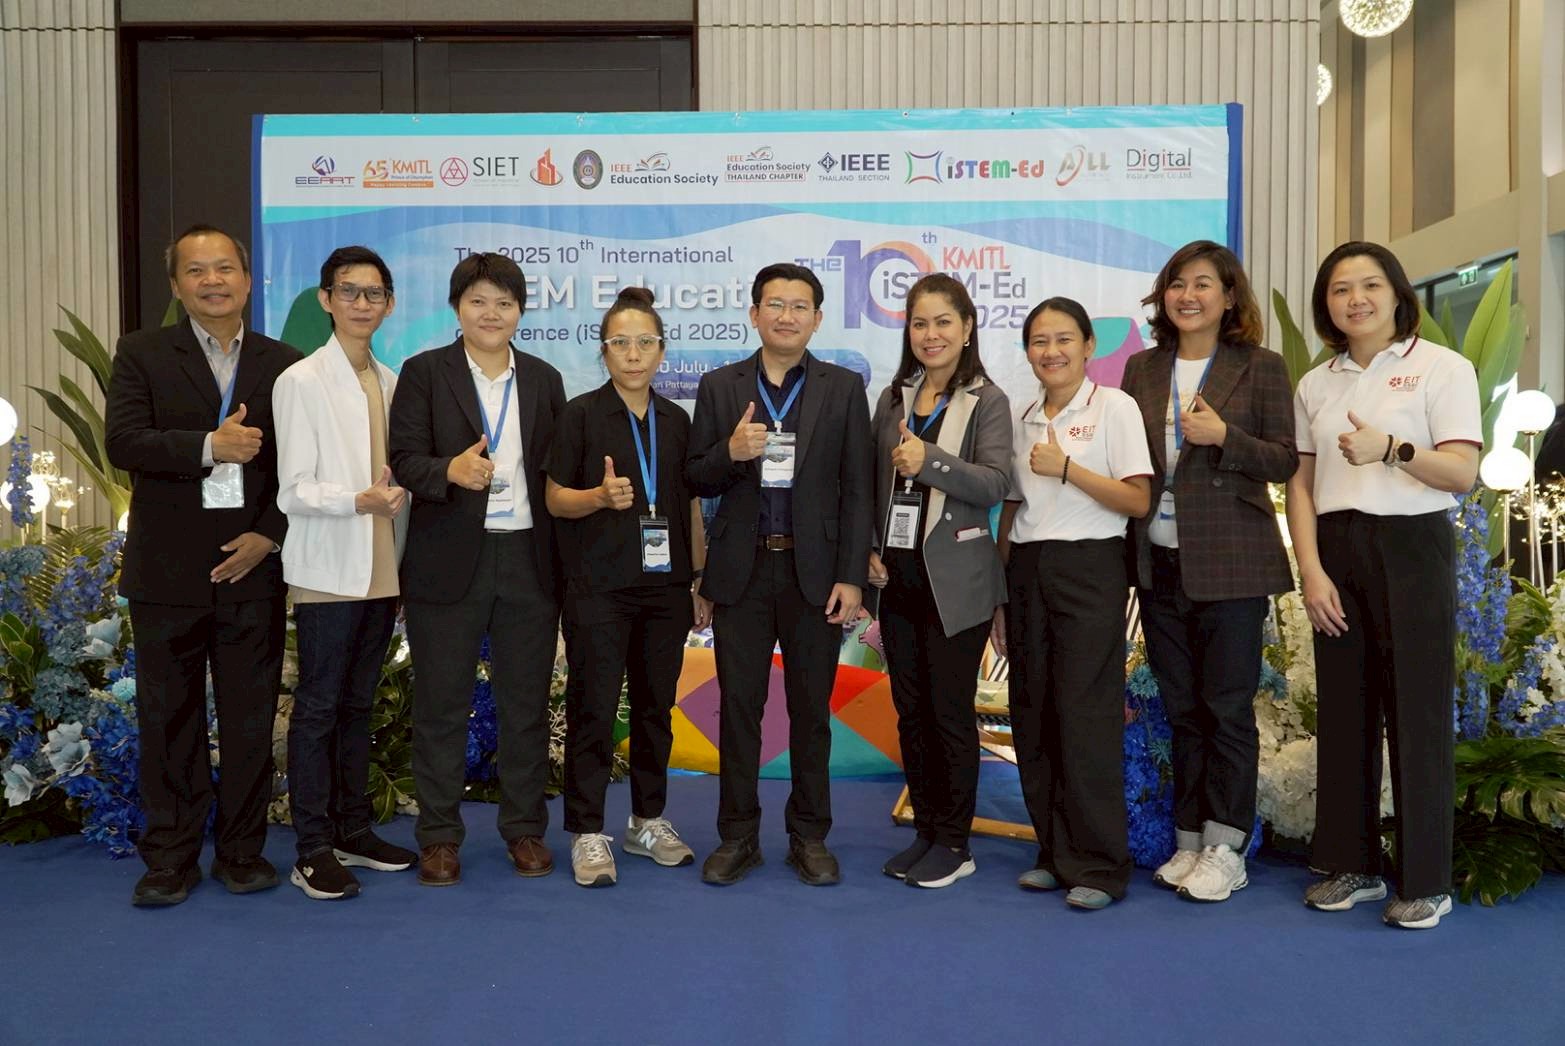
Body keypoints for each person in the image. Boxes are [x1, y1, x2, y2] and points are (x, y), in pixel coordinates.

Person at [106, 224, 301, 907]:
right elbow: (123, 442)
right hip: (166, 573)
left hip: (252, 569)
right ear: (177, 285)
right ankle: (169, 856)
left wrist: (269, 536)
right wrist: (209, 446)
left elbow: (300, 469)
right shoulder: (141, 353)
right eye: (196, 270)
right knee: (168, 720)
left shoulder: (285, 364)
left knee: (250, 720)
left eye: (224, 268)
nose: (212, 280)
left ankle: (242, 851)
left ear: (247, 280)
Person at [1286, 241, 1480, 929]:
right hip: (1336, 547)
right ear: (1326, 305)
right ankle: (1352, 864)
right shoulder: (1316, 383)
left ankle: (1425, 880)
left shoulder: (1441, 367)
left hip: (1411, 545)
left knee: (1417, 715)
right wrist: (1310, 570)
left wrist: (1393, 450)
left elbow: (1461, 473)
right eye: (1340, 289)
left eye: (1369, 285)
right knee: (1344, 713)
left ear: (1397, 293)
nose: (1355, 299)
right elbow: (1302, 485)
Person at [685, 262, 873, 886]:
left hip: (814, 574)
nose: (786, 316)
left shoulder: (843, 388)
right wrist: (730, 453)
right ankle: (737, 836)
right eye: (774, 304)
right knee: (739, 708)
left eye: (799, 307)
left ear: (816, 319)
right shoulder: (720, 386)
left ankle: (809, 836)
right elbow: (696, 476)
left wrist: (852, 575)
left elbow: (858, 489)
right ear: (754, 313)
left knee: (810, 711)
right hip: (741, 572)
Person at [1121, 241, 1298, 902]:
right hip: (1158, 560)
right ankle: (1190, 838)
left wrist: (1225, 437)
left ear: (1228, 297)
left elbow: (1284, 459)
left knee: (1226, 710)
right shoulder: (1141, 368)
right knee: (1182, 710)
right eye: (1177, 283)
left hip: (1231, 561)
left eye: (1202, 284)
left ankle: (1227, 846)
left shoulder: (1261, 366)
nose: (1187, 295)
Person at [387, 252, 565, 887]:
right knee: (441, 705)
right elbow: (404, 459)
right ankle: (439, 836)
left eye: (504, 303)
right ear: (457, 308)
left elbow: (557, 470)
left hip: (527, 558)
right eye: (478, 301)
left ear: (520, 312)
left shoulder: (543, 379)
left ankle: (524, 830)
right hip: (447, 560)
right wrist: (449, 471)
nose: (491, 314)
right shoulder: (424, 373)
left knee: (526, 704)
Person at [544, 287, 713, 887]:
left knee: (654, 709)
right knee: (593, 708)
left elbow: (688, 507)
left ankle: (647, 820)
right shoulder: (580, 415)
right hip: (598, 588)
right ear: (604, 350)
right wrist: (597, 497)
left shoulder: (677, 421)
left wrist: (698, 577)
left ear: (662, 351)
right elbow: (554, 499)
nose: (634, 354)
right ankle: (587, 830)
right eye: (621, 342)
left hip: (666, 590)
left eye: (645, 342)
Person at [992, 296, 1152, 910]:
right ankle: (1053, 854)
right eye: (1039, 341)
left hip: (1090, 566)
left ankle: (1101, 866)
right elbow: (1012, 508)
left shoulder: (1115, 406)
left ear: (1088, 346)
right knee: (1033, 712)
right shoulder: (1023, 415)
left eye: (1063, 339)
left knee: (1085, 716)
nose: (1051, 351)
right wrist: (1001, 591)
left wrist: (1068, 469)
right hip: (1028, 569)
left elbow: (1137, 500)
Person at [273, 245, 417, 900]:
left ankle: (353, 830)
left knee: (358, 704)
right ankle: (311, 848)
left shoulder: (392, 381)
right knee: (319, 707)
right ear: (326, 300)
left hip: (383, 566)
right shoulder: (301, 381)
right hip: (329, 567)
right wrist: (357, 500)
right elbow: (293, 489)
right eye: (349, 291)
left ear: (389, 304)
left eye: (374, 293)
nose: (362, 303)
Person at [866, 273, 1011, 889]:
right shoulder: (893, 397)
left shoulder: (987, 400)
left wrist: (932, 463)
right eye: (920, 323)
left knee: (949, 713)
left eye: (943, 322)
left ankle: (955, 842)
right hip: (896, 577)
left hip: (957, 582)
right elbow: (870, 482)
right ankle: (926, 832)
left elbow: (995, 483)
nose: (931, 334)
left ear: (967, 327)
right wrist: (868, 549)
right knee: (911, 712)